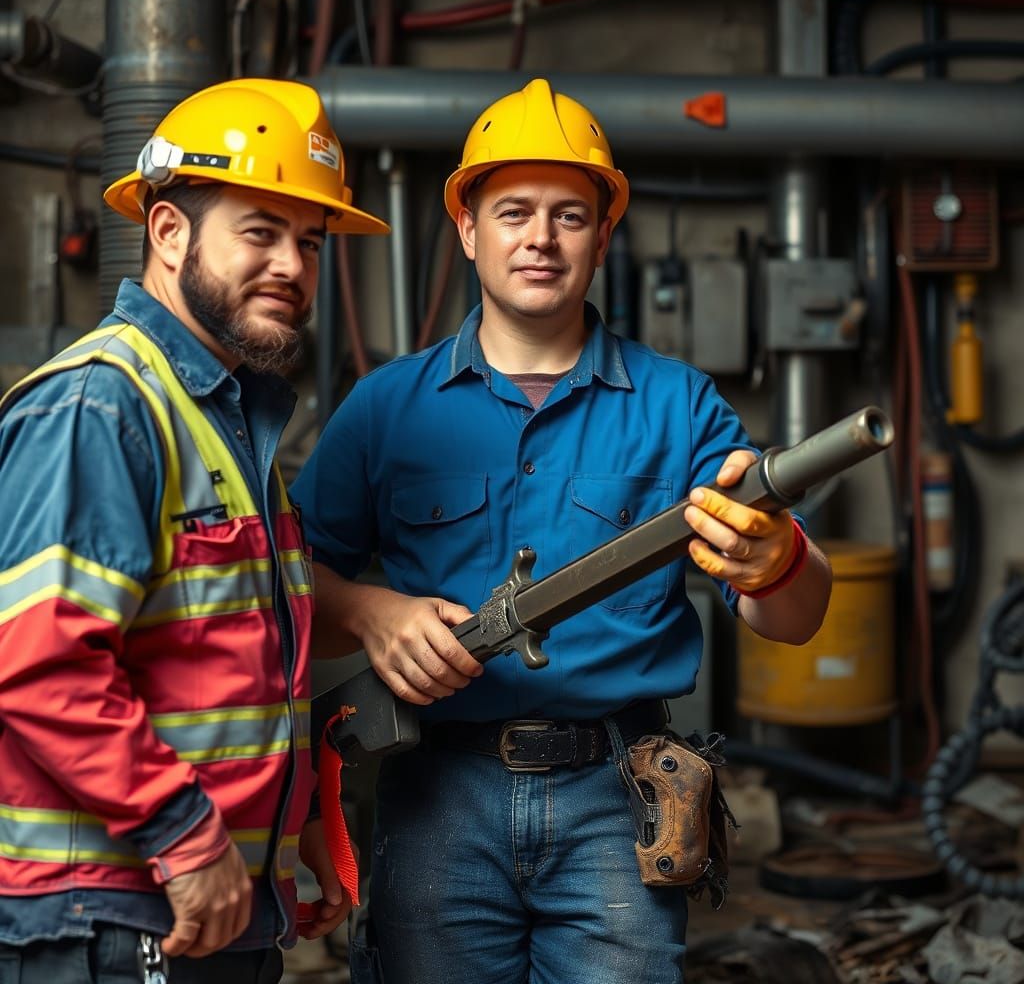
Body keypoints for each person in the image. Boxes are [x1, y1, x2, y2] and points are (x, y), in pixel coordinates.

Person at [293, 78, 832, 984]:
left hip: (617, 798)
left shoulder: (680, 406)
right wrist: (377, 613)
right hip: (435, 795)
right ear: (469, 230)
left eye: (569, 216)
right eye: (513, 212)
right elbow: (283, 580)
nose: (539, 239)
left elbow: (795, 618)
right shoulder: (387, 407)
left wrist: (781, 562)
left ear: (603, 234)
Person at [0, 78, 388, 982]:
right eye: (260, 231)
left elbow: (224, 668)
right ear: (169, 231)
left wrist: (277, 842)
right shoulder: (104, 405)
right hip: (104, 913)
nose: (292, 264)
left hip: (211, 905)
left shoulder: (223, 420)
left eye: (310, 240)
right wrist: (185, 836)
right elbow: (40, 662)